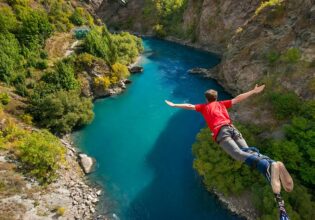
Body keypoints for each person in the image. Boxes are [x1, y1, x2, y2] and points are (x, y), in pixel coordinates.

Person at [165, 84, 293, 219]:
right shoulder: (221, 104)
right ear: (216, 97)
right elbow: (238, 98)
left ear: (206, 99)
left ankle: (267, 166)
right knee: (247, 152)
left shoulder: (204, 107)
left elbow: (190, 106)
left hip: (222, 133)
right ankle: (271, 164)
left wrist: (174, 105)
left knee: (238, 154)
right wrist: (254, 91)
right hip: (232, 129)